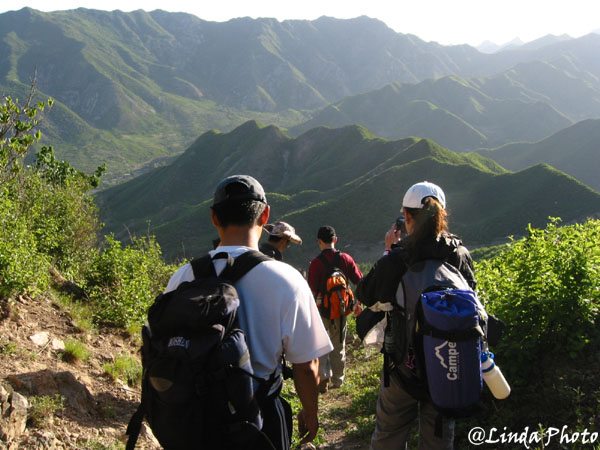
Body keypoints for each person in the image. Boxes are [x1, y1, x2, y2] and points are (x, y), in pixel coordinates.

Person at [163, 175, 333, 450]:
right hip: (259, 419)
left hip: (196, 419)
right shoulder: (287, 280)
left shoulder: (182, 277)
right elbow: (305, 366)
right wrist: (310, 413)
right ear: (265, 216)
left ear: (214, 218)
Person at [356, 181, 476, 450]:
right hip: (448, 363)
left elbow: (365, 294)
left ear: (406, 217)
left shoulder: (396, 259)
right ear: (442, 214)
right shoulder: (459, 254)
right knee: (438, 440)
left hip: (402, 366)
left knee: (389, 435)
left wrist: (388, 250)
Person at [307, 226, 363, 393]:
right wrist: (358, 303)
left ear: (319, 242)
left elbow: (312, 290)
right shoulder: (346, 258)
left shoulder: (316, 263)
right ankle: (338, 380)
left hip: (321, 310)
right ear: (335, 240)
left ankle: (323, 377)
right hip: (341, 309)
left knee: (321, 344)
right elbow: (360, 281)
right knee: (339, 344)